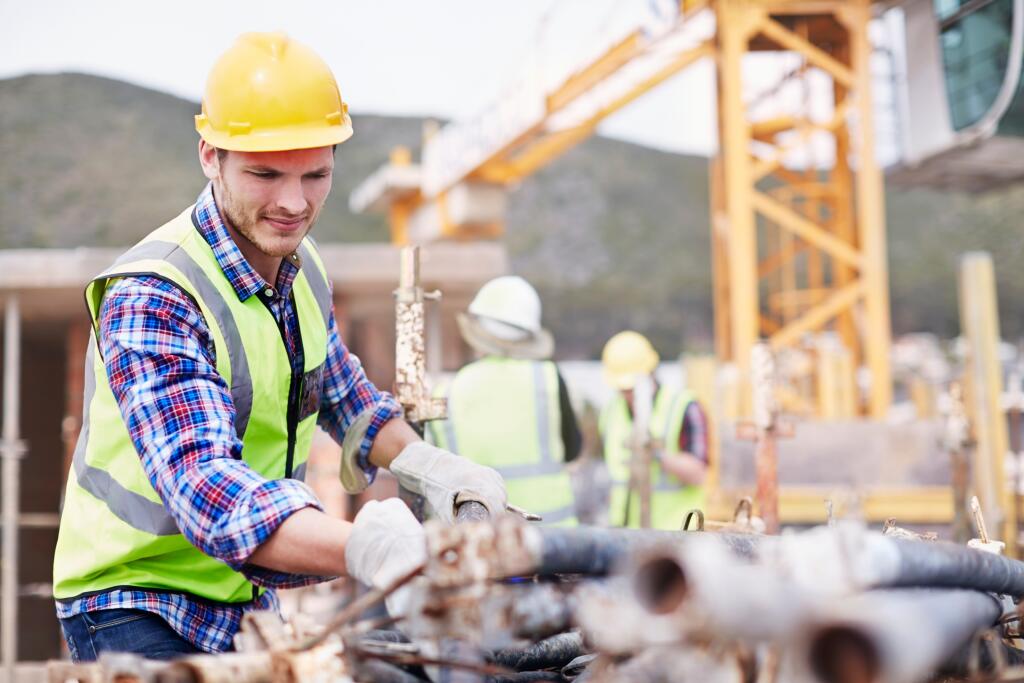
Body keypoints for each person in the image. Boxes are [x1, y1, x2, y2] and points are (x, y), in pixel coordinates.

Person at [51, 32, 505, 661]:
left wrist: (433, 468)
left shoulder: (299, 265)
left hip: (239, 594)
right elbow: (207, 490)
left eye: (315, 174)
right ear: (210, 155)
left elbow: (345, 398)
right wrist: (362, 546)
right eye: (265, 174)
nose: (294, 203)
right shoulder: (154, 296)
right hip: (135, 598)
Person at [428, 276, 580, 525]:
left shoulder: (446, 392)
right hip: (554, 540)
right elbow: (572, 449)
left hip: (481, 542)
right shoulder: (547, 377)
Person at [599, 331, 707, 529]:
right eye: (623, 389)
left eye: (631, 388)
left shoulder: (683, 406)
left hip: (675, 536)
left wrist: (657, 454)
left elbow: (698, 474)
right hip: (625, 535)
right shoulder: (610, 412)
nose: (627, 394)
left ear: (650, 373)